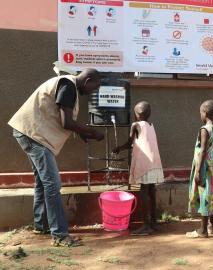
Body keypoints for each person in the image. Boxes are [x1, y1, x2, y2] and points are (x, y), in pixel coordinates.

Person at [8, 68, 104, 247]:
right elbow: (66, 122)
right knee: (52, 184)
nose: (93, 91)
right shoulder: (68, 85)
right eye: (94, 87)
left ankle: (41, 224)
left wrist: (83, 134)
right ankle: (60, 235)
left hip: (28, 132)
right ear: (88, 80)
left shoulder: (69, 86)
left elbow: (66, 120)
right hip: (34, 135)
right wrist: (92, 132)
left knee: (42, 182)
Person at [113, 101, 164, 236]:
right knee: (152, 191)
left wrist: (119, 148)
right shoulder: (151, 125)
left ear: (138, 114)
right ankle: (153, 222)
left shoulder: (136, 125)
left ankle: (146, 225)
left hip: (145, 163)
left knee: (144, 192)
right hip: (154, 162)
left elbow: (130, 142)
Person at [186, 100, 213, 238]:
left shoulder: (204, 129)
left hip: (205, 166)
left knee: (204, 194)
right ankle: (212, 226)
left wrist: (197, 171)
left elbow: (202, 151)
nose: (200, 115)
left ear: (204, 113)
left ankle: (203, 230)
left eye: (200, 112)